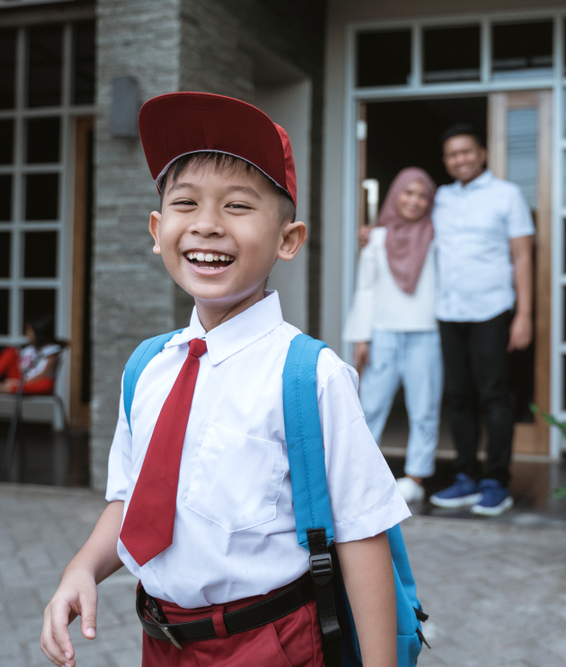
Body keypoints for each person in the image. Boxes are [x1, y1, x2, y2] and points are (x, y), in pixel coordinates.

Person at [40, 92, 409, 667]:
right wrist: (82, 568)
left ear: (288, 239)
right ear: (158, 229)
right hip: (160, 643)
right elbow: (130, 501)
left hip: (271, 643)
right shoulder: (147, 368)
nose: (207, 225)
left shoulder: (310, 376)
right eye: (185, 203)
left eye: (238, 207)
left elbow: (362, 535)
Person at [428, 124, 535, 517]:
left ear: (482, 153)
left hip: (492, 309)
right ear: (446, 161)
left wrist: (524, 314)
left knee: (494, 396)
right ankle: (466, 477)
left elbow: (523, 257)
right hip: (448, 310)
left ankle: (497, 481)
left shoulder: (507, 195)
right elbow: (408, 228)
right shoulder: (439, 198)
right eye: (453, 155)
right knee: (458, 398)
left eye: (466, 152)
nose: (460, 160)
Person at [344, 167, 441, 505]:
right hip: (382, 332)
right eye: (408, 192)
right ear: (395, 193)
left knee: (424, 408)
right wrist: (361, 336)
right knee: (370, 405)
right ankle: (360, 475)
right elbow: (366, 289)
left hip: (426, 333)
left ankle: (416, 477)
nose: (414, 201)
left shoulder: (436, 234)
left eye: (422, 195)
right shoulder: (378, 238)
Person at [0, 315, 63, 395]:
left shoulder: (52, 350)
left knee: (47, 384)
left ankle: (2, 388)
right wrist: (17, 381)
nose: (27, 334)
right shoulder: (29, 348)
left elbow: (45, 374)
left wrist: (21, 383)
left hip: (33, 381)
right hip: (19, 379)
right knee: (10, 351)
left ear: (39, 332)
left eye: (29, 330)